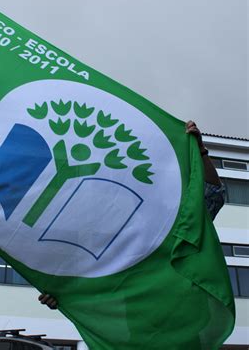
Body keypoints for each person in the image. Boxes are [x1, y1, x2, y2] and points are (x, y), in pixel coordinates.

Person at [38, 120, 225, 310]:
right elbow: (84, 280)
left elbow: (213, 194)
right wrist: (60, 296)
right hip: (132, 324)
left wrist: (200, 151)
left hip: (182, 314)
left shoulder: (178, 221)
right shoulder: (106, 239)